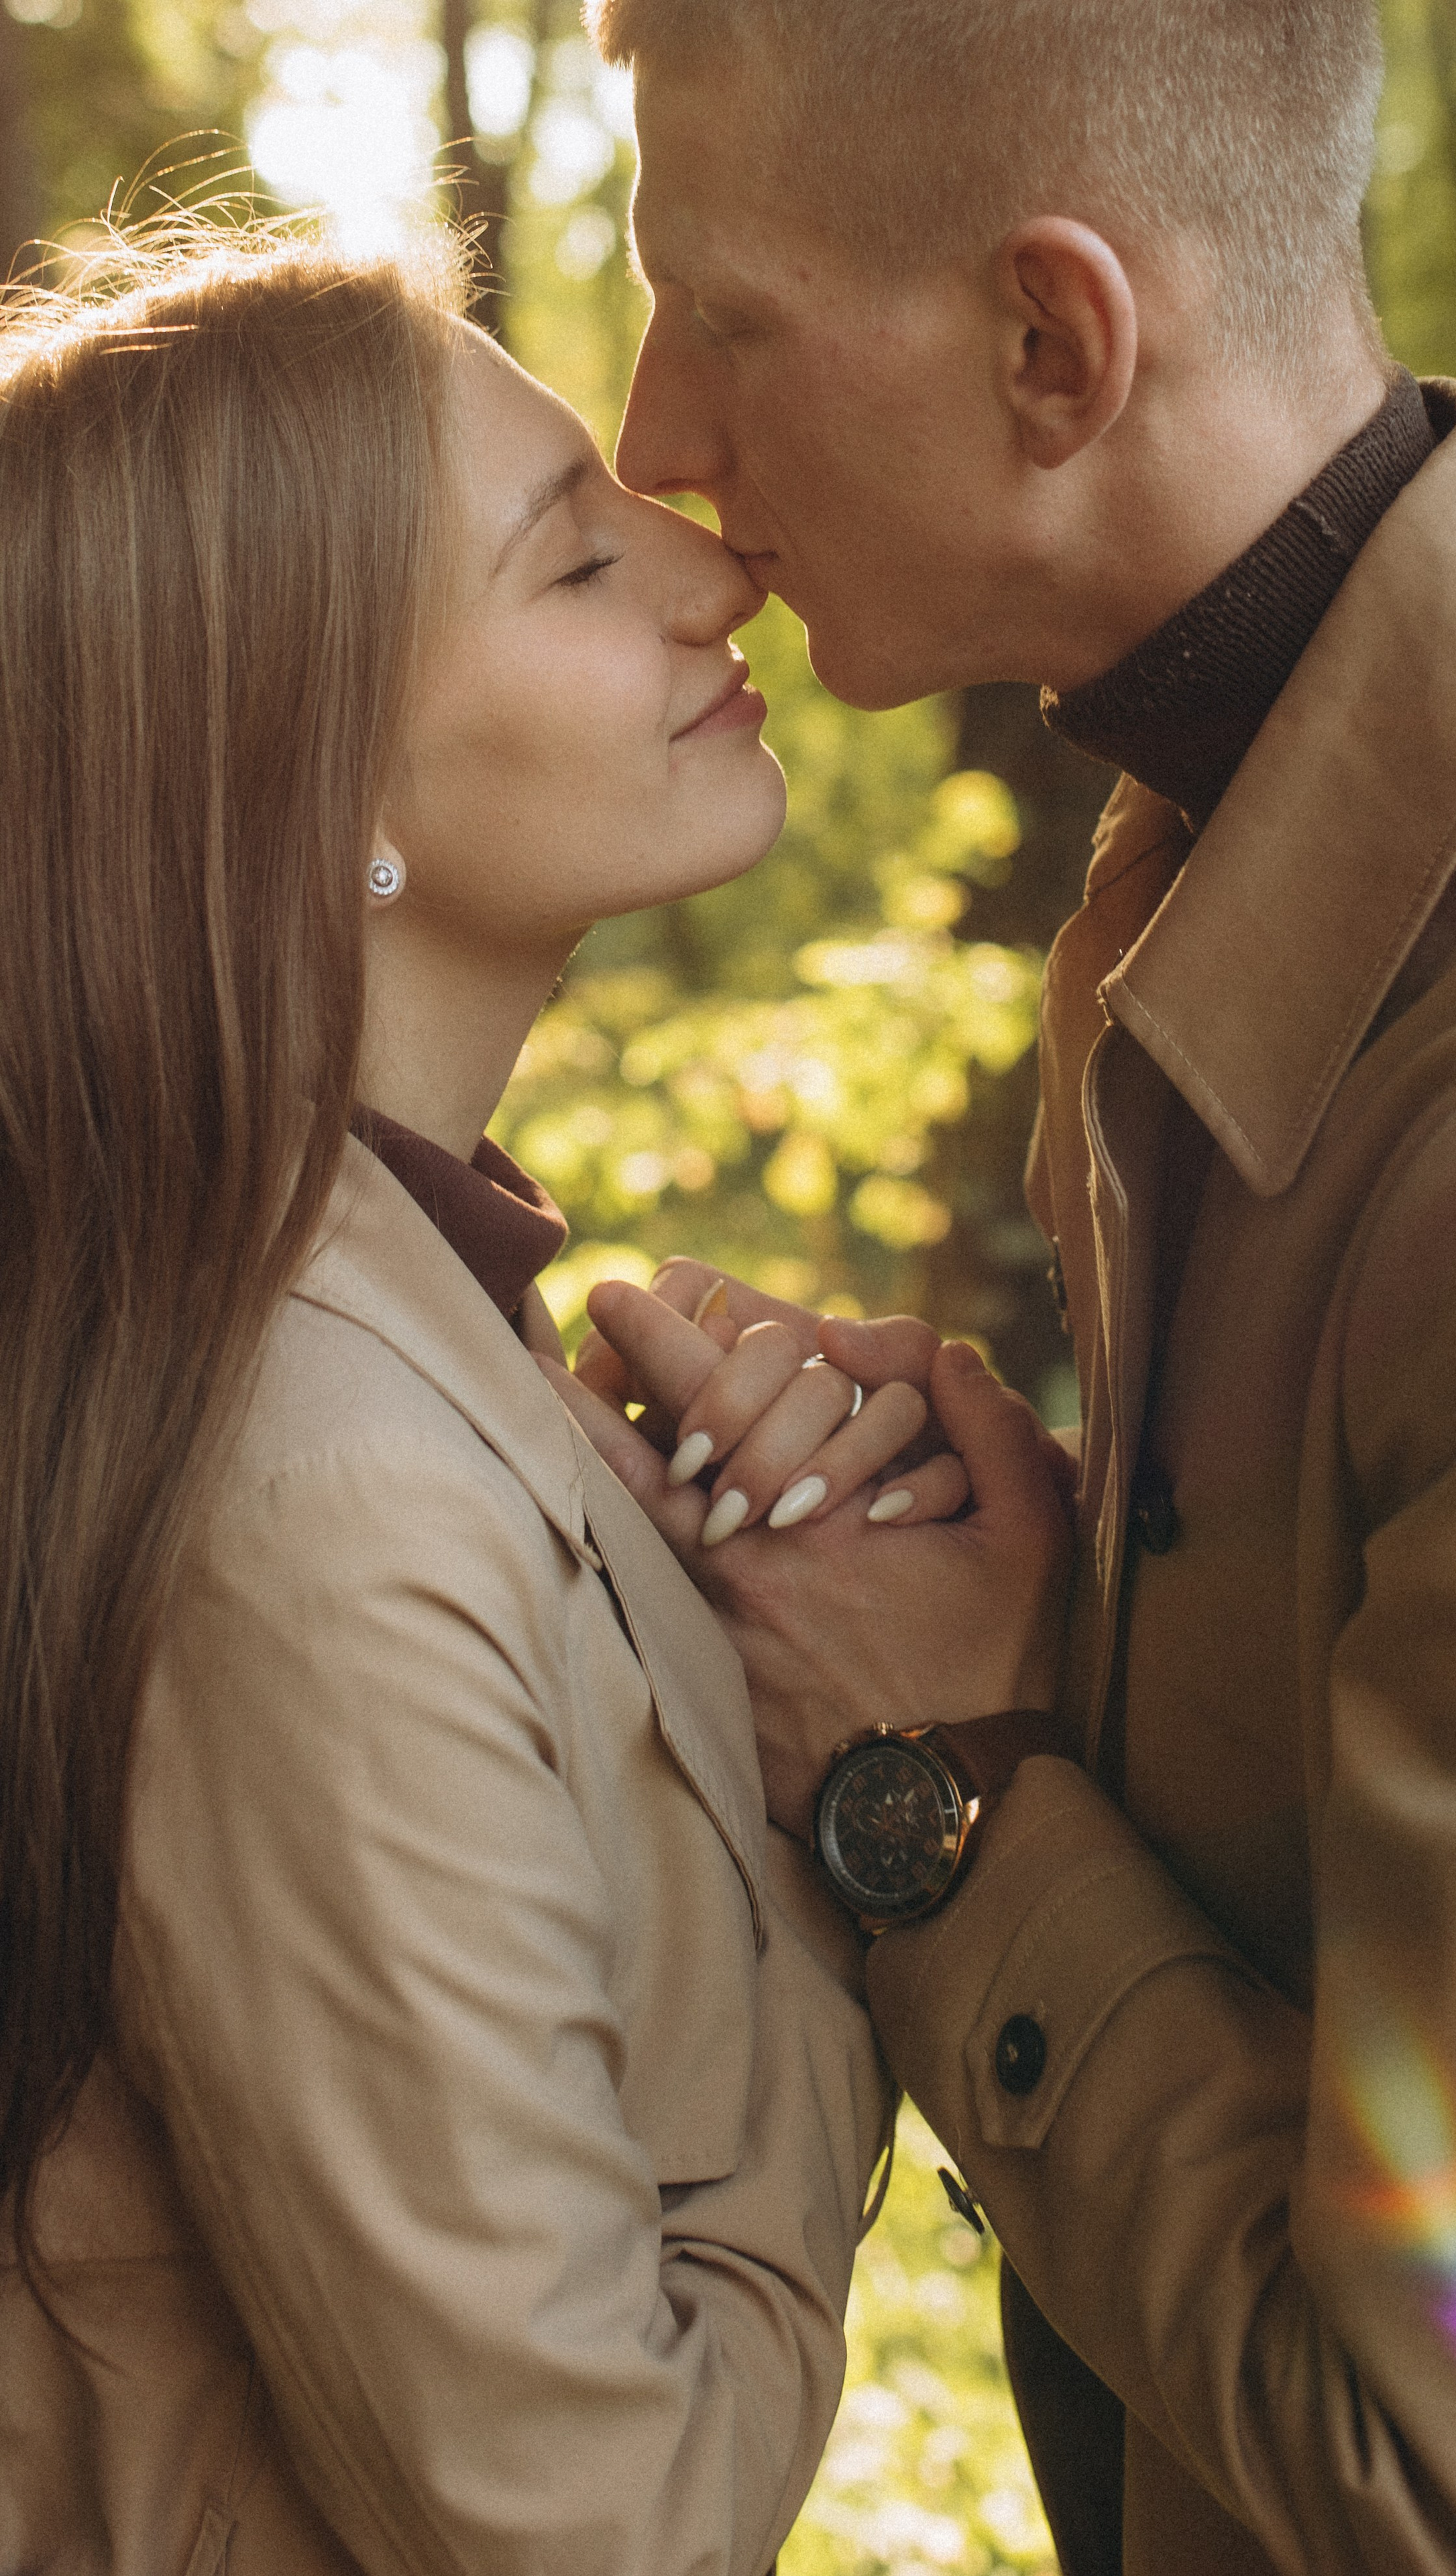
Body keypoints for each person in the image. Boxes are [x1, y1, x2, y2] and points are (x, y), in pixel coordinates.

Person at [556, 1, 1456, 2569]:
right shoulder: (1247, 845)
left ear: (1052, 346)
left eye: (718, 314)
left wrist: (939, 1805)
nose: (653, 433)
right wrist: (1059, 1613)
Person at [0, 224, 905, 2573]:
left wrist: (753, 1597)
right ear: (310, 785)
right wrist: (875, 1833)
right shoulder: (315, 1491)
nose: (717, 571)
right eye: (578, 557)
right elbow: (589, 2529)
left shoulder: (403, 1325)